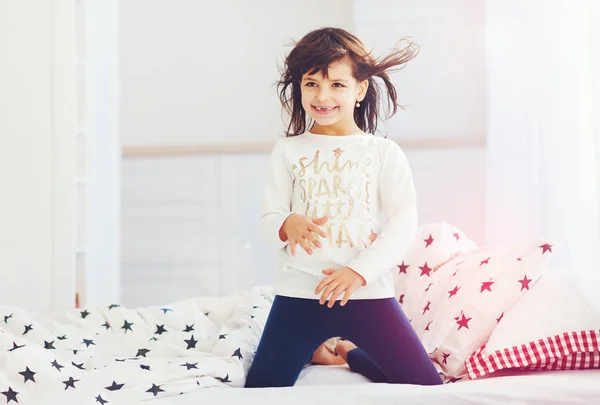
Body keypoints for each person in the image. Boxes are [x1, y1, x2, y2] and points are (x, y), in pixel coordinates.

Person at [244, 27, 443, 388]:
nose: (323, 96)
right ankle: (312, 348)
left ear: (360, 89)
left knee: (425, 385)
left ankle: (348, 352)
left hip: (366, 292)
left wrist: (357, 272)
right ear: (299, 87)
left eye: (337, 84)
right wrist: (288, 223)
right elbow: (267, 220)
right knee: (262, 388)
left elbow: (402, 222)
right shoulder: (287, 151)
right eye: (311, 84)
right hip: (301, 293)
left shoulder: (383, 153)